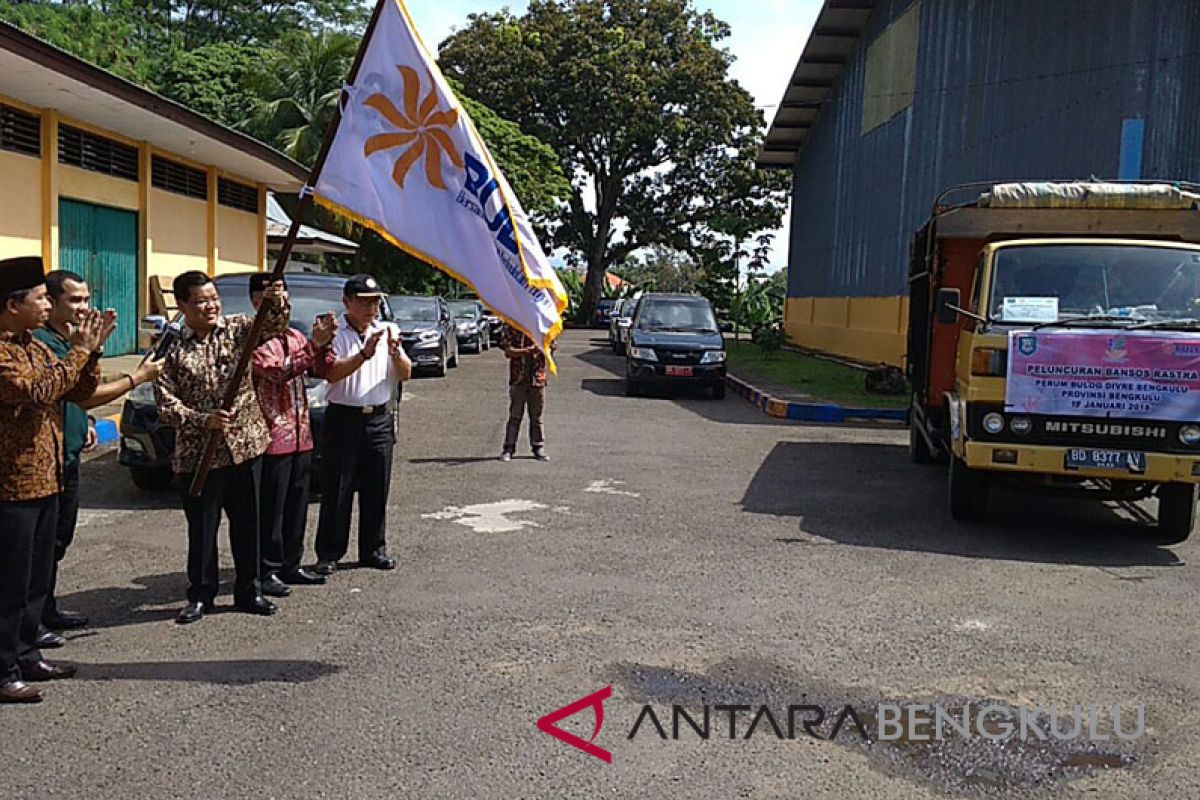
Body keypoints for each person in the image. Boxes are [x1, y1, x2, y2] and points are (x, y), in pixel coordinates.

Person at [0, 256, 112, 703]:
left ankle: (27, 654)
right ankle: (3, 668)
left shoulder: (36, 344)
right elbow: (38, 391)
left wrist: (93, 350)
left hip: (46, 479)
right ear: (12, 304)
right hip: (11, 486)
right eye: (40, 298)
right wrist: (80, 352)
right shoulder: (5, 352)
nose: (48, 305)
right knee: (8, 584)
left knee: (34, 579)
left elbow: (77, 392)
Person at [32, 270, 163, 645]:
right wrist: (138, 378)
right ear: (50, 302)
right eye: (74, 301)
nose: (84, 308)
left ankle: (45, 609)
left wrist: (86, 421)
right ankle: (29, 624)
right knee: (38, 547)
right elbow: (80, 393)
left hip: (68, 454)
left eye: (87, 299)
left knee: (57, 541)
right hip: (44, 462)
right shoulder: (44, 344)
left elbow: (78, 397)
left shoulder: (69, 340)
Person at [156, 270, 289, 624]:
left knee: (248, 522)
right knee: (202, 529)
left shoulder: (239, 329)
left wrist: (276, 299)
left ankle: (249, 589)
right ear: (182, 304)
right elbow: (166, 404)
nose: (211, 306)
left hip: (244, 447)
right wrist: (203, 420)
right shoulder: (171, 347)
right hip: (198, 456)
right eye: (201, 301)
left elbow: (273, 326)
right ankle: (201, 594)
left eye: (214, 299)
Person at [311, 274, 412, 576]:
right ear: (347, 302)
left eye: (375, 302)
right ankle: (329, 552)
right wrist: (364, 354)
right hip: (344, 418)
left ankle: (373, 549)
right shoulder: (334, 333)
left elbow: (405, 374)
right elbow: (331, 374)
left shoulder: (388, 329)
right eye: (364, 302)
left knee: (376, 487)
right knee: (337, 488)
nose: (372, 309)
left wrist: (394, 354)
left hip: (379, 418)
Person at [249, 274, 336, 592]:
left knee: (297, 505)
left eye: (285, 297)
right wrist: (314, 346)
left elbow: (320, 371)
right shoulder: (254, 340)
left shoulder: (296, 337)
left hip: (301, 433)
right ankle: (266, 568)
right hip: (272, 436)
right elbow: (277, 372)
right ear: (256, 301)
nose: (281, 305)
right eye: (273, 298)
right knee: (271, 508)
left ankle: (291, 562)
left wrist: (324, 347)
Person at [499, 328, 555, 462]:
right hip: (519, 378)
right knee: (515, 416)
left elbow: (551, 348)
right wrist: (527, 351)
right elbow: (508, 351)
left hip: (537, 379)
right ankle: (509, 448)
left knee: (536, 416)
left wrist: (543, 348)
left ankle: (538, 447)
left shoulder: (542, 326)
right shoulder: (513, 325)